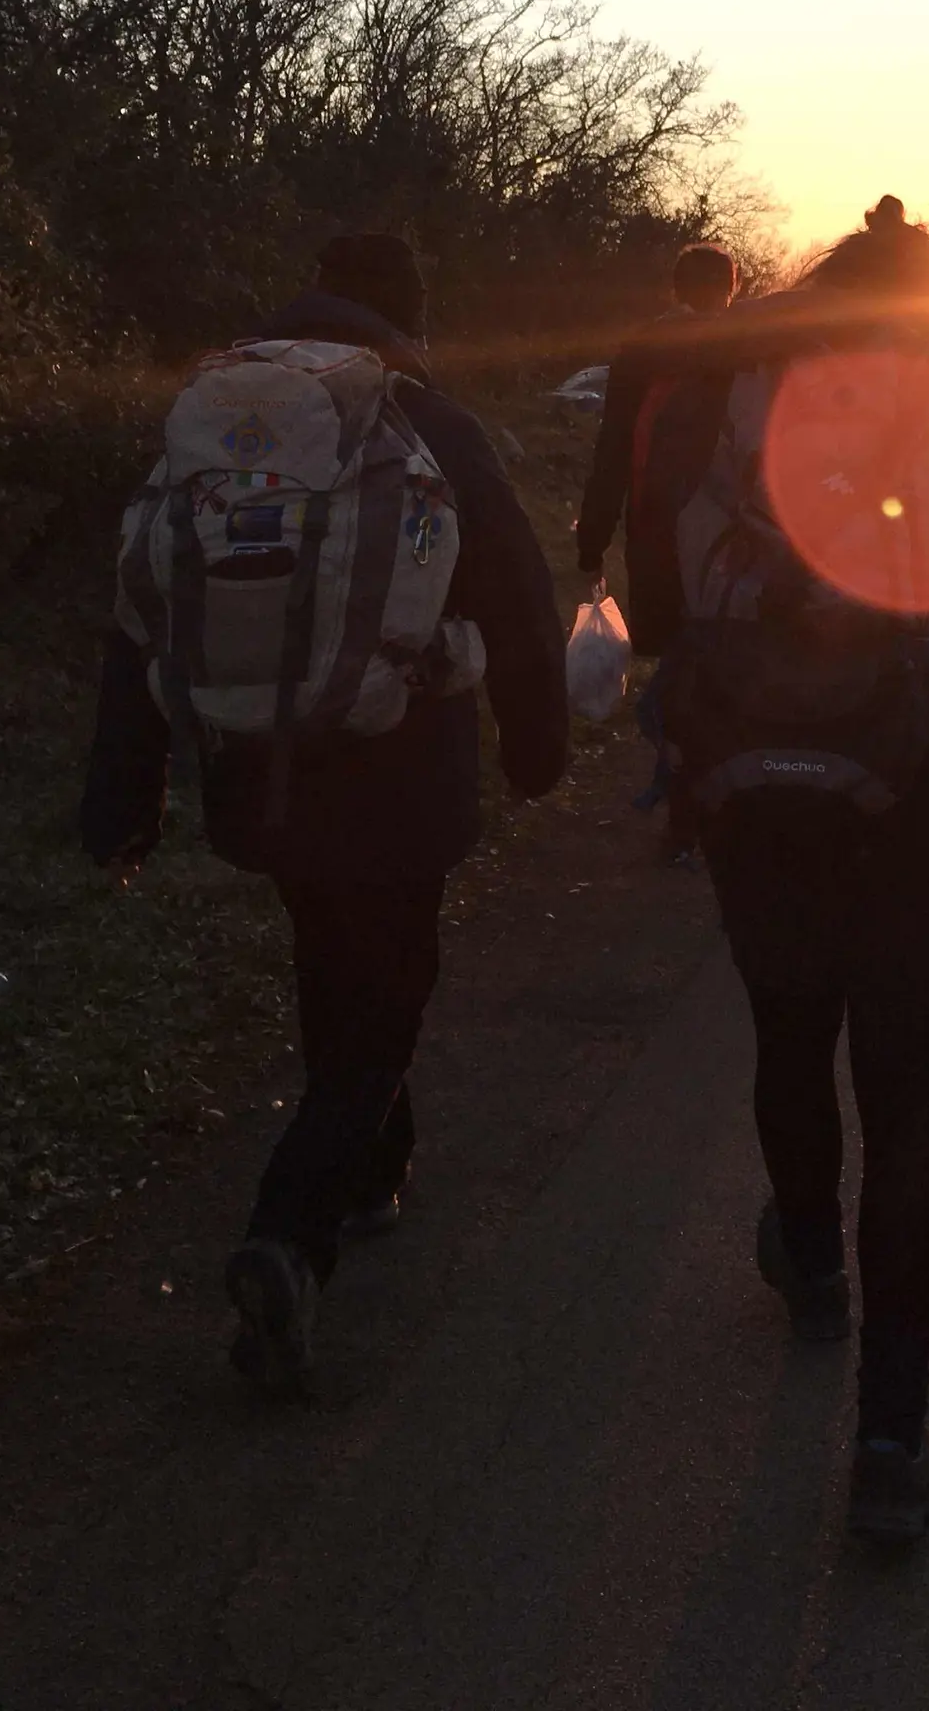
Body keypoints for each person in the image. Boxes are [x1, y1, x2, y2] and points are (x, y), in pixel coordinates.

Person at [80, 232, 567, 1394]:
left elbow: (143, 603)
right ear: (411, 315)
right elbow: (514, 586)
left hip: (257, 764)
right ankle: (289, 1233)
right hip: (400, 766)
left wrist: (123, 793)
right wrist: (538, 745)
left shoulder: (215, 423)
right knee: (389, 994)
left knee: (330, 951)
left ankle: (375, 1168)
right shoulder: (428, 422)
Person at [653, 198, 929, 1541]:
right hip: (921, 777)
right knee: (907, 1086)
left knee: (787, 1026)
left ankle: (813, 1267)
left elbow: (653, 571)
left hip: (752, 767)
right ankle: (889, 1436)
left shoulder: (723, 389)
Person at [575, 241, 739, 648]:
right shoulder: (746, 349)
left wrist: (592, 543)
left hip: (655, 524)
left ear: (676, 288)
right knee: (727, 643)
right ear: (731, 289)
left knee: (671, 647)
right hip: (731, 528)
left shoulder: (642, 349)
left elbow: (613, 451)